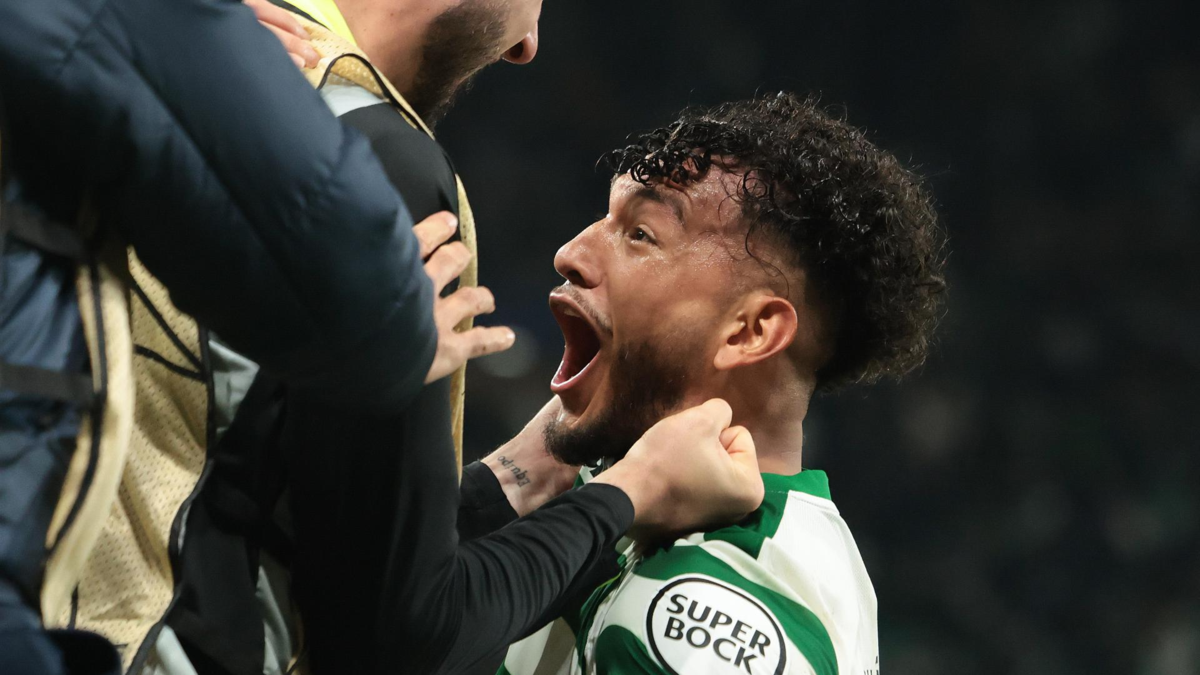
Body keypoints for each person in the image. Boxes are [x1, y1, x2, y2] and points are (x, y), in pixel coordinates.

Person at [495, 93, 949, 675]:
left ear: (749, 332)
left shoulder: (708, 614)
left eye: (641, 234)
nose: (570, 254)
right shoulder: (607, 496)